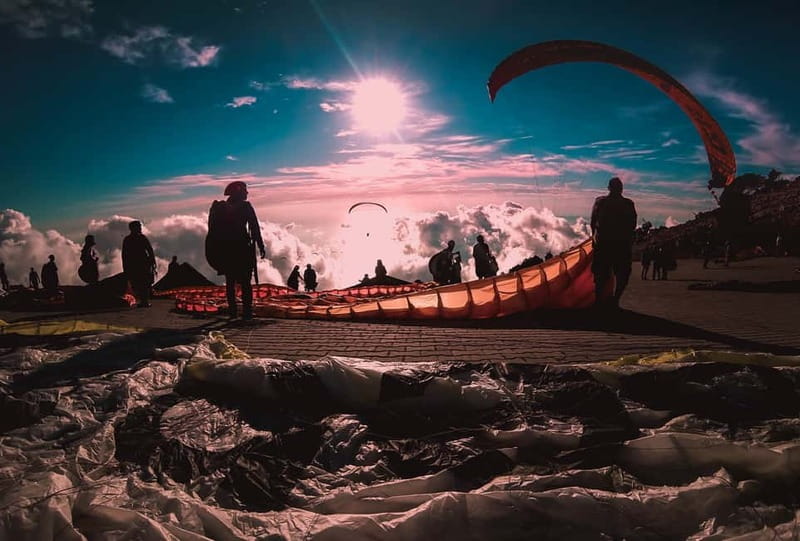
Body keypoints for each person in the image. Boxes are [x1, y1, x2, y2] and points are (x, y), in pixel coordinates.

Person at [206, 181, 266, 319]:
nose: (247, 193)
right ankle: (247, 311)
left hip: (226, 250)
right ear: (239, 192)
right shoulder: (245, 207)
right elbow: (254, 227)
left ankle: (233, 312)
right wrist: (261, 245)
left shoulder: (220, 208)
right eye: (245, 190)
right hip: (242, 248)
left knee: (230, 281)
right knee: (245, 282)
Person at [590, 177, 637, 308]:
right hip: (619, 244)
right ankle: (612, 300)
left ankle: (604, 300)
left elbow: (593, 222)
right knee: (618, 274)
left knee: (602, 274)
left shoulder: (601, 202)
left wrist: (593, 237)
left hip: (607, 243)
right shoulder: (627, 204)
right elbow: (632, 224)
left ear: (609, 188)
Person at [122, 221, 157, 308]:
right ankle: (144, 301)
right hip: (141, 264)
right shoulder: (141, 238)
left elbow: (124, 255)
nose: (140, 228)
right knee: (142, 283)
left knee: (140, 283)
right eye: (139, 227)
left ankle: (143, 301)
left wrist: (125, 266)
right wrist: (152, 261)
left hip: (136, 265)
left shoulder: (128, 239)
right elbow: (149, 250)